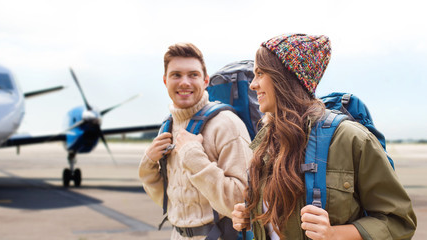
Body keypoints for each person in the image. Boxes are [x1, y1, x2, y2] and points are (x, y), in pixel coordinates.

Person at [231, 34, 417, 240]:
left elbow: (400, 222)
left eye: (260, 73)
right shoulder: (264, 142)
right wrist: (251, 217)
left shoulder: (350, 139)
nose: (252, 84)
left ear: (284, 77)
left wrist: (334, 233)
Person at [139, 42, 253, 239]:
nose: (185, 82)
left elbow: (241, 200)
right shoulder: (167, 128)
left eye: (193, 75)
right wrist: (148, 164)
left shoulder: (226, 124)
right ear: (165, 80)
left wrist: (193, 156)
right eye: (176, 75)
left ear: (205, 80)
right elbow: (170, 201)